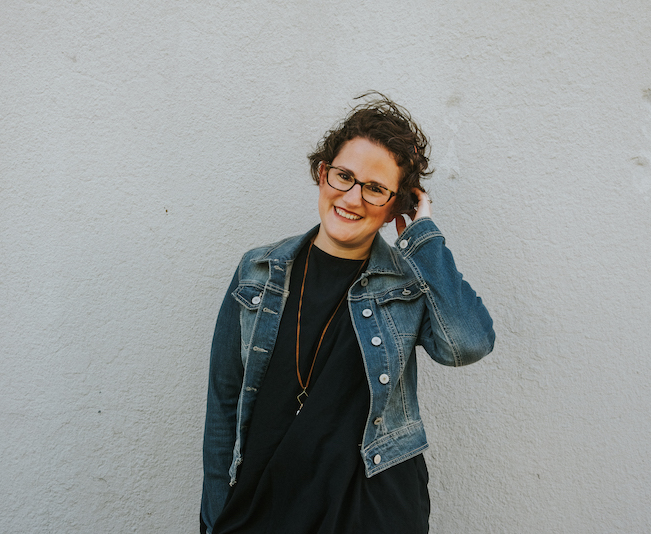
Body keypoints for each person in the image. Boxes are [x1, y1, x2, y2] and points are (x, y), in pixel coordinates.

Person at [200, 93, 495, 534]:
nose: (352, 198)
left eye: (375, 188)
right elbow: (223, 402)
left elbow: (468, 343)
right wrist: (214, 515)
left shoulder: (408, 285)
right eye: (344, 176)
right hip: (263, 504)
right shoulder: (257, 271)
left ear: (396, 206)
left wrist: (424, 238)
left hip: (371, 512)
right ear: (323, 173)